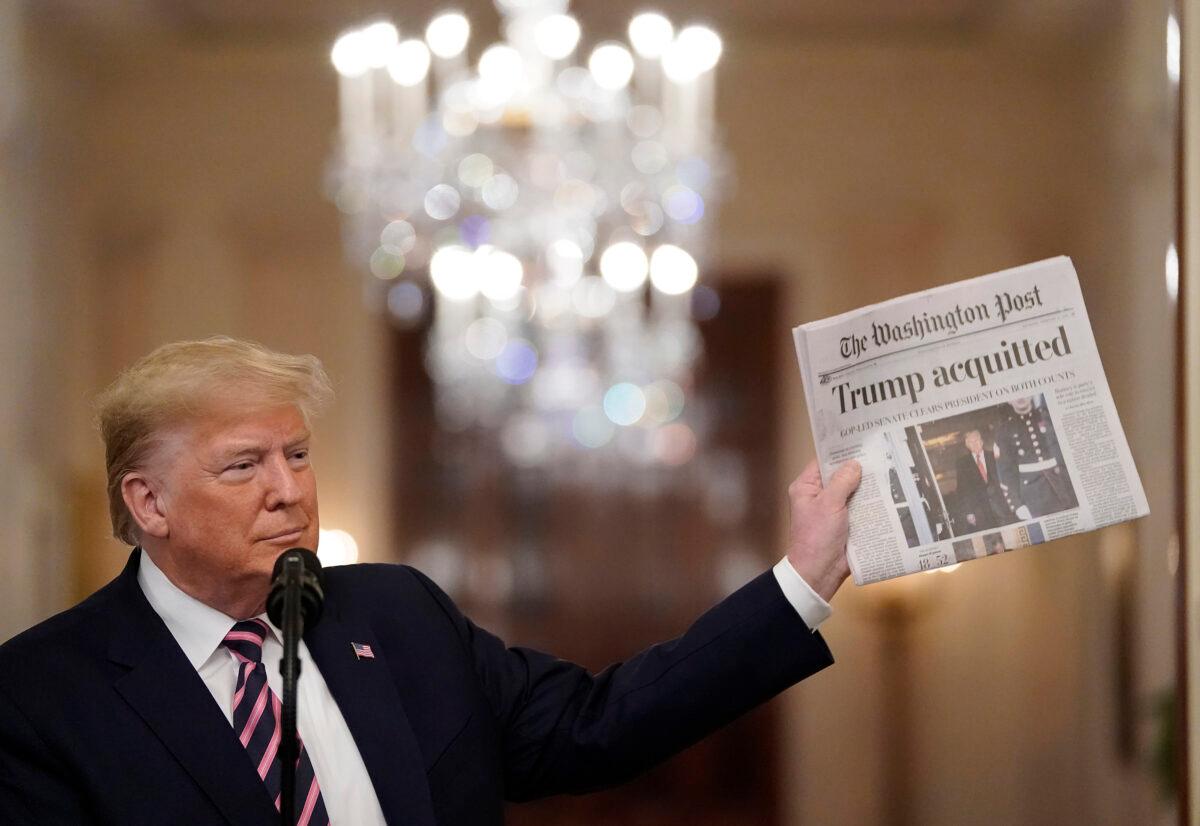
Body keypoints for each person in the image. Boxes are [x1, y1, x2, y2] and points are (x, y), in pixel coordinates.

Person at [0, 337, 862, 826]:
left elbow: (597, 725)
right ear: (148, 502)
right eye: (242, 466)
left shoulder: (395, 612)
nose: (289, 488)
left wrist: (802, 579)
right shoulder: (41, 696)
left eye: (297, 454)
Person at [993, 396, 1078, 520]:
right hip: (1033, 496)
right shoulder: (1004, 431)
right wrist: (1017, 505)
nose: (1020, 396)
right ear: (1009, 400)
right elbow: (1006, 473)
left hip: (1063, 486)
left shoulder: (1049, 418)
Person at [951, 429, 1008, 533]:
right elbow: (962, 490)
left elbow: (1006, 478)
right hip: (980, 510)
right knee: (992, 538)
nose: (975, 444)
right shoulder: (962, 464)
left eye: (976, 440)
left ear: (981, 441)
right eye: (971, 442)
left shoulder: (993, 456)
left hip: (1001, 505)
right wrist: (969, 512)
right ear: (967, 445)